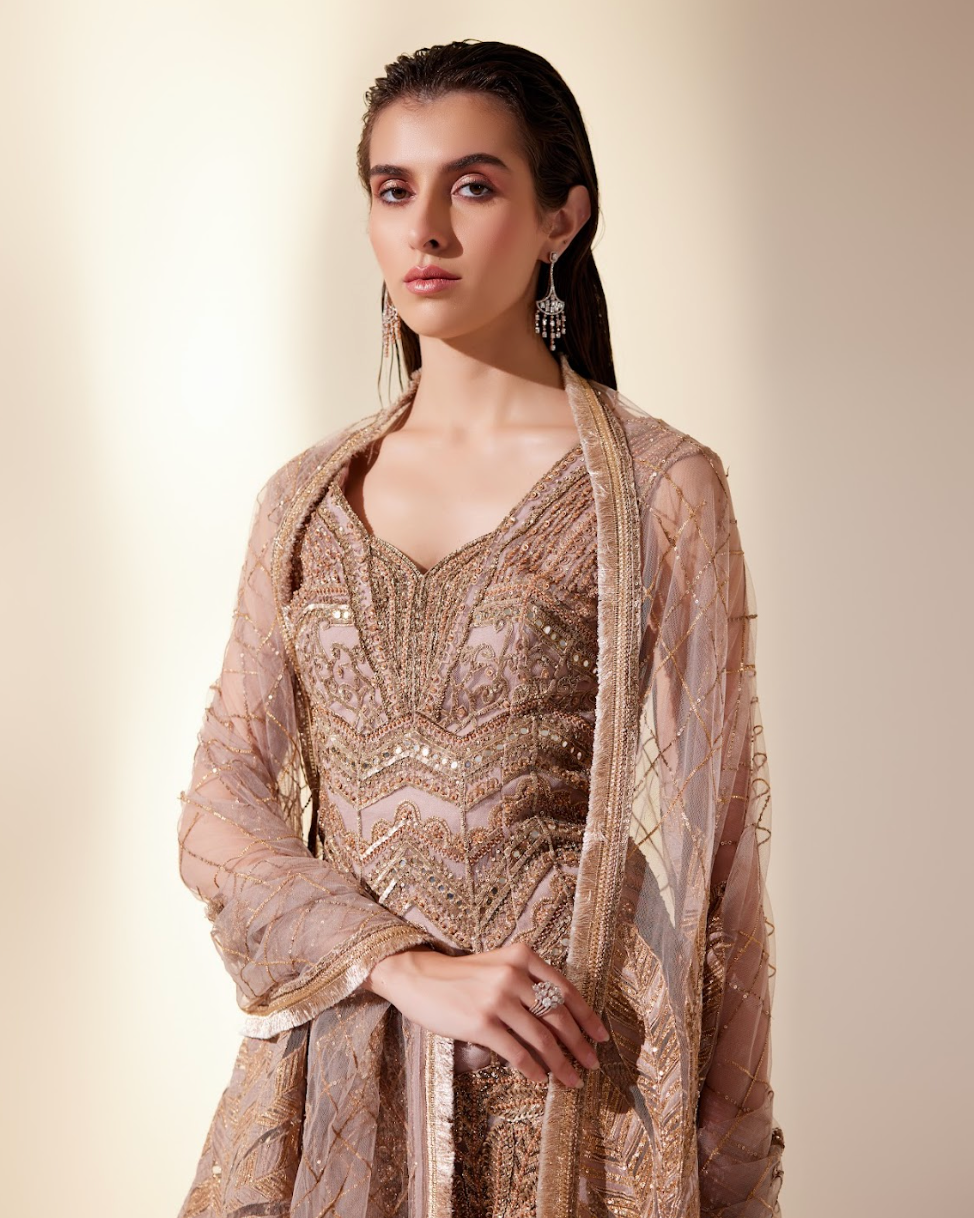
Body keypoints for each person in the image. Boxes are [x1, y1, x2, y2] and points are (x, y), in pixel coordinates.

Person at [176, 38, 785, 1218]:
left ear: (561, 217)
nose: (425, 231)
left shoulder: (658, 488)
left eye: (471, 186)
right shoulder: (303, 500)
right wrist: (401, 968)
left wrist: (725, 1166)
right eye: (391, 189)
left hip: (561, 1069)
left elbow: (718, 863)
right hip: (339, 1062)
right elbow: (218, 806)